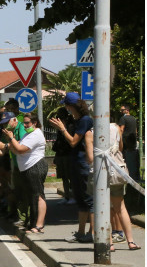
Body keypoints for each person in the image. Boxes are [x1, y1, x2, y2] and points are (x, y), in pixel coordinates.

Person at [85, 123, 140, 251]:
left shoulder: (90, 134)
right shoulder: (115, 128)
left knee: (103, 208)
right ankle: (131, 241)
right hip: (117, 172)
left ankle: (109, 243)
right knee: (121, 207)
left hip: (100, 173)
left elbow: (90, 158)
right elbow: (120, 148)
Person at [49, 92, 94, 243]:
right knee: (80, 198)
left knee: (88, 199)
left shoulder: (85, 121)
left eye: (66, 106)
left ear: (70, 106)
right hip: (76, 161)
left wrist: (62, 129)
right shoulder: (77, 120)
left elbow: (74, 142)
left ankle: (92, 232)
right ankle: (81, 232)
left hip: (83, 163)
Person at [3, 113, 48, 233]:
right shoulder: (29, 134)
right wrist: (9, 141)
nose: (26, 125)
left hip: (35, 166)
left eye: (28, 123)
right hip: (27, 168)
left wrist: (12, 138)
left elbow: (20, 149)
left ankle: (39, 225)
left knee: (38, 195)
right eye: (24, 123)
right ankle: (33, 224)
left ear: (35, 123)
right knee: (31, 196)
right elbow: (16, 149)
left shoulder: (36, 134)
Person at [51, 107, 76, 204]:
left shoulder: (70, 126)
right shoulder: (60, 128)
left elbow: (70, 140)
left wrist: (63, 129)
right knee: (63, 177)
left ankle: (73, 196)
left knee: (71, 176)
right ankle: (66, 196)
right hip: (60, 153)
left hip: (68, 153)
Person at [118, 105, 140, 181]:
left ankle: (125, 177)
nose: (121, 112)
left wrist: (118, 140)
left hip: (125, 142)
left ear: (127, 110)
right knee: (133, 161)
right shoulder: (134, 118)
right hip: (133, 141)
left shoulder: (123, 118)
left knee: (124, 160)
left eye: (122, 110)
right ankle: (134, 177)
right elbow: (136, 130)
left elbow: (121, 130)